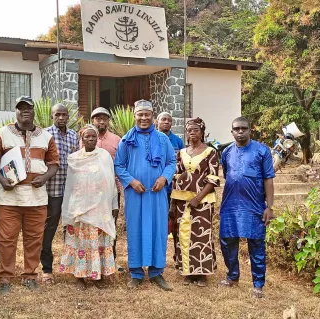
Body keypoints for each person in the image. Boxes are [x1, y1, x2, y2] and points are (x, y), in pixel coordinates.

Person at [0, 96, 60, 295]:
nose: (25, 111)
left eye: (28, 108)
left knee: (34, 239)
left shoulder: (45, 136)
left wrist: (44, 177)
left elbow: (54, 163)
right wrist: (2, 181)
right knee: (6, 238)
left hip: (36, 197)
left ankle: (29, 275)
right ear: (16, 112)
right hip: (9, 197)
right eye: (21, 108)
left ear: (34, 111)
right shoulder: (2, 133)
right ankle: (5, 277)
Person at [114, 100, 176, 291]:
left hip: (157, 195)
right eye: (140, 114)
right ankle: (136, 273)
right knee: (136, 229)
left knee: (158, 230)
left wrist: (164, 179)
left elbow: (171, 161)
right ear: (134, 116)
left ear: (152, 116)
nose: (143, 118)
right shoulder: (126, 140)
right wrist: (131, 181)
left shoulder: (163, 139)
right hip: (135, 195)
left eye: (147, 114)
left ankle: (157, 272)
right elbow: (118, 165)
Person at [219, 116, 275, 298]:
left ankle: (258, 284)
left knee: (256, 243)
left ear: (250, 130)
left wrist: (269, 206)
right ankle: (232, 277)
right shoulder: (226, 152)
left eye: (244, 128)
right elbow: (228, 175)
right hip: (230, 204)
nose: (240, 131)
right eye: (237, 129)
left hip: (254, 205)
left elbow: (268, 179)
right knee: (227, 241)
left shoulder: (262, 151)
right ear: (232, 131)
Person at [59, 125, 118, 290]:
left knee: (98, 241)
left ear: (97, 138)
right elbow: (70, 185)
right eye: (87, 137)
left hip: (100, 207)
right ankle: (79, 276)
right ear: (82, 139)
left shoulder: (105, 156)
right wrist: (70, 208)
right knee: (80, 241)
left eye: (93, 137)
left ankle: (97, 275)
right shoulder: (74, 158)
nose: (91, 139)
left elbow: (111, 181)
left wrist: (114, 204)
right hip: (80, 207)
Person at [169, 118, 220, 287]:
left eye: (196, 130)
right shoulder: (181, 153)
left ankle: (202, 273)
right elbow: (176, 175)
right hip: (181, 200)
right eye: (189, 130)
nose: (192, 132)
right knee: (182, 234)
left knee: (201, 234)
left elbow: (213, 178)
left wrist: (198, 197)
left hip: (203, 200)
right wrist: (173, 203)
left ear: (202, 132)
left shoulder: (210, 152)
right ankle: (187, 271)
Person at [41, 103, 79, 284]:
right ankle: (46, 269)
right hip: (52, 190)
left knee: (71, 229)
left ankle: (72, 265)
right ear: (52, 116)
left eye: (64, 115)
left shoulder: (74, 136)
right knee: (49, 229)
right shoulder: (45, 135)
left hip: (71, 191)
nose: (61, 118)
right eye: (58, 115)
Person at [90, 107, 124, 272]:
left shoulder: (117, 140)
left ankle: (112, 262)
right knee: (91, 227)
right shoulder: (86, 138)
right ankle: (93, 262)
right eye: (97, 118)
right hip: (90, 192)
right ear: (92, 120)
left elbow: (121, 164)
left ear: (109, 121)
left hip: (111, 191)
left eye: (104, 118)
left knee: (111, 225)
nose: (101, 121)